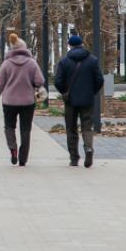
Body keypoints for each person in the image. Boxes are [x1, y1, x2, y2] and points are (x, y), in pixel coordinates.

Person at [0, 33, 45, 166]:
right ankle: (23, 158)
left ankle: (13, 149)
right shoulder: (32, 63)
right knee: (25, 130)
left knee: (9, 127)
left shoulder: (6, 64)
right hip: (28, 102)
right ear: (24, 48)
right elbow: (40, 81)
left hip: (9, 102)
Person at [54, 35, 104, 167]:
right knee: (87, 126)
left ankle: (74, 158)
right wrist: (92, 91)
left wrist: (64, 92)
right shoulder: (92, 60)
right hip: (87, 99)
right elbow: (99, 80)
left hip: (70, 100)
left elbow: (58, 81)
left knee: (71, 128)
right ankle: (88, 148)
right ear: (82, 44)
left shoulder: (64, 61)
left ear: (69, 45)